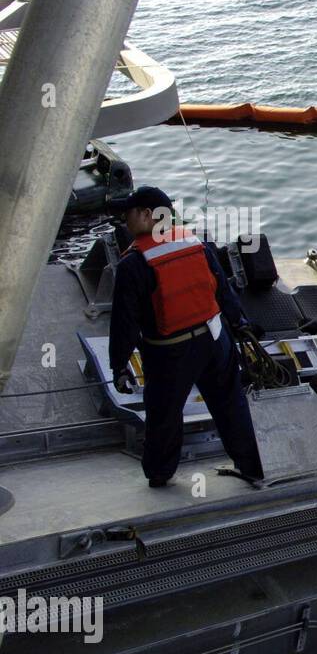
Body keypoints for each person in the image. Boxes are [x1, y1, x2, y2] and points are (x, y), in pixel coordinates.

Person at [107, 186, 263, 487]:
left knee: (164, 414)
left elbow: (124, 322)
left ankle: (160, 474)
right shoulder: (197, 243)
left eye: (128, 214)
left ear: (148, 215)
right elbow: (222, 288)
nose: (125, 220)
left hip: (171, 352)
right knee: (231, 405)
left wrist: (119, 367)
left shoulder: (133, 264)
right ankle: (252, 466)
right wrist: (239, 321)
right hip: (216, 340)